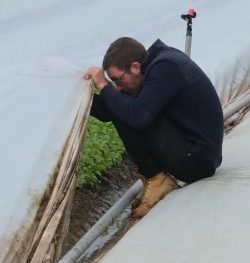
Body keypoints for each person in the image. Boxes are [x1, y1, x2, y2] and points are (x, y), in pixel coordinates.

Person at [84, 37, 224, 219]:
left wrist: (104, 86)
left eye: (118, 80)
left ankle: (157, 179)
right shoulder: (158, 64)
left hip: (198, 161)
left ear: (135, 67)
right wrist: (82, 93)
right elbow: (107, 112)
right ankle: (158, 179)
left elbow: (138, 116)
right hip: (196, 153)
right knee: (121, 105)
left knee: (129, 110)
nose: (118, 87)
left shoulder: (166, 67)